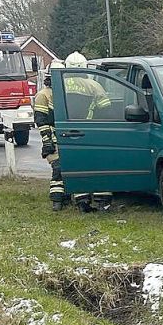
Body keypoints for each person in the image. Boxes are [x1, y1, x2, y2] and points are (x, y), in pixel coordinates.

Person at [63, 51, 113, 212]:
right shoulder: (93, 85)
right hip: (91, 130)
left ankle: (81, 200)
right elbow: (106, 109)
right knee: (99, 165)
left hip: (68, 131)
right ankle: (101, 199)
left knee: (77, 166)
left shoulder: (60, 86)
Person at [34, 60, 69, 210]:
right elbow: (41, 121)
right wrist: (47, 141)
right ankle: (57, 200)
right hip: (53, 140)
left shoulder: (65, 93)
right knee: (58, 168)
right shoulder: (43, 95)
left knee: (68, 168)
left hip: (67, 138)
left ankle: (67, 197)